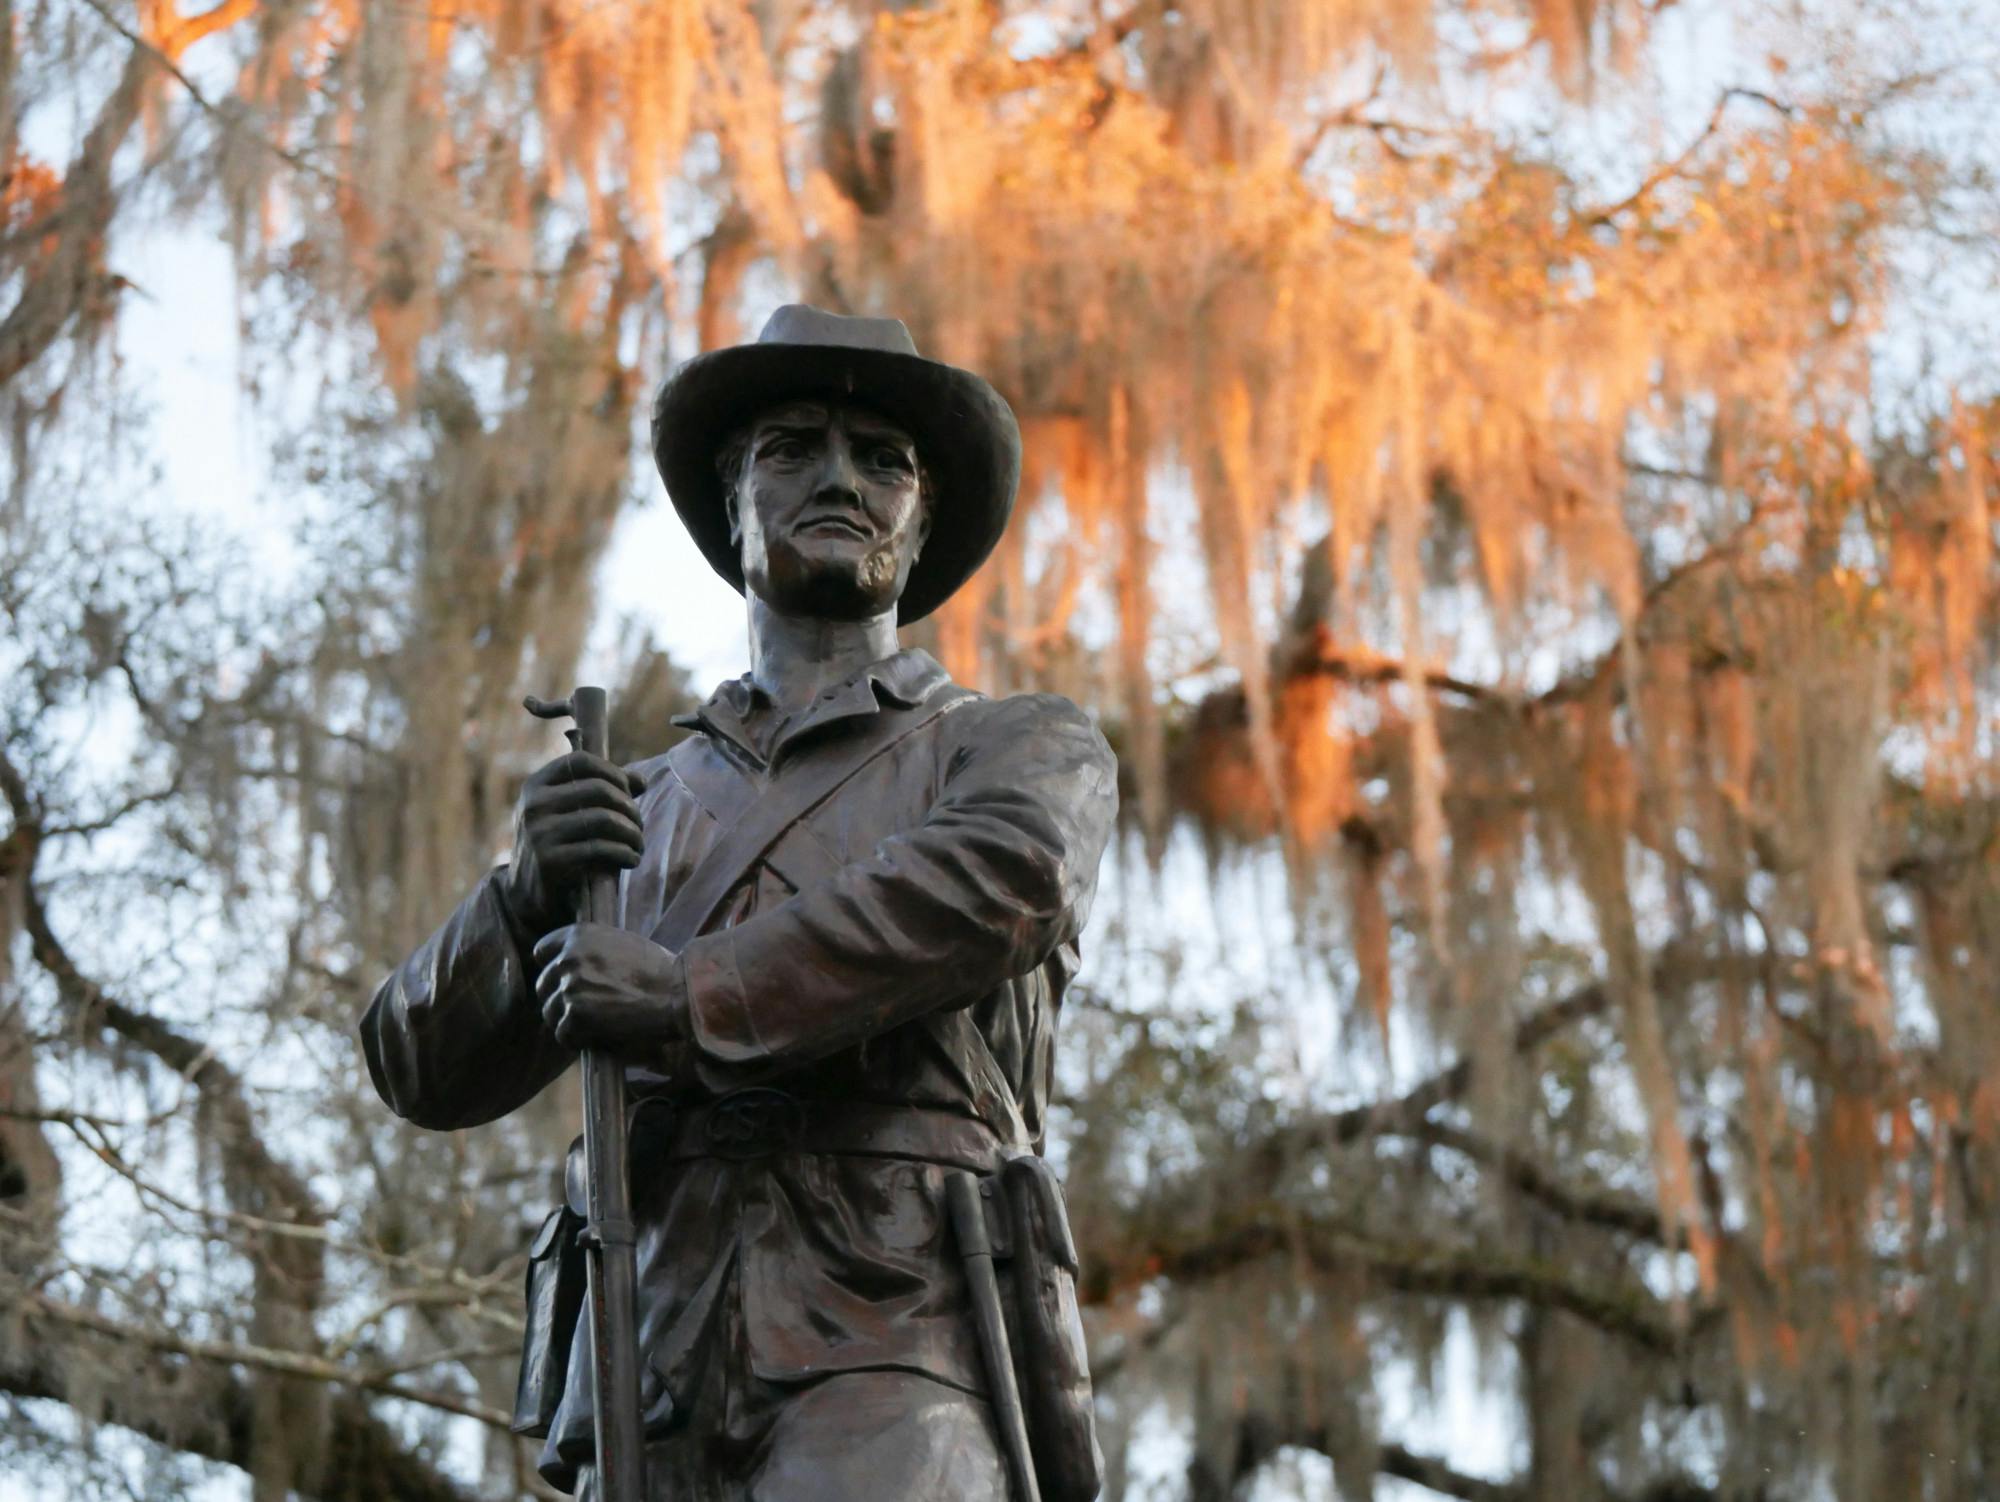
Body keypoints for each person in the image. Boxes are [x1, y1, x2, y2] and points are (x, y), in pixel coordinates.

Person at [360, 305, 1118, 1499]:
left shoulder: (1013, 744)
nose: (840, 479)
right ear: (732, 504)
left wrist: (688, 993)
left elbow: (1001, 879)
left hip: (897, 1325)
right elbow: (415, 1065)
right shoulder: (632, 806)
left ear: (919, 523)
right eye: (792, 447)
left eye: (883, 459)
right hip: (649, 1355)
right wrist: (522, 896)